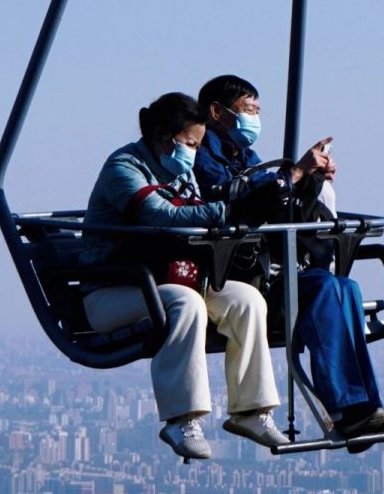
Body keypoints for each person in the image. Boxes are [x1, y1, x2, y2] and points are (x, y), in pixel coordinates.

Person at [194, 73, 384, 440]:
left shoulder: (246, 157)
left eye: (257, 111)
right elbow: (239, 204)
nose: (254, 119)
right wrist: (294, 173)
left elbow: (282, 207)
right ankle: (347, 409)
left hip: (272, 271)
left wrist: (314, 181)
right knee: (326, 289)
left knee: (346, 288)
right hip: (238, 276)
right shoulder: (203, 157)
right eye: (247, 110)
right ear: (217, 111)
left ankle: (364, 406)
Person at [81, 91, 289, 461]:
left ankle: (251, 411)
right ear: (165, 139)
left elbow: (195, 212)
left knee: (247, 300)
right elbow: (160, 216)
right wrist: (227, 212)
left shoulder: (181, 171)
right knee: (186, 301)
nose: (193, 152)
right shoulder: (123, 169)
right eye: (190, 143)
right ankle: (182, 417)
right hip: (115, 292)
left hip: (170, 279)